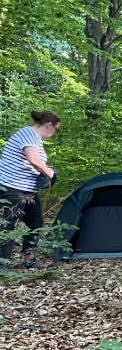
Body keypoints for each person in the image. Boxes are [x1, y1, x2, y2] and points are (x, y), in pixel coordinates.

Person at [0, 110, 60, 267]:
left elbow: (32, 164)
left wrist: (43, 175)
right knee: (8, 225)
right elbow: (33, 160)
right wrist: (50, 174)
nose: (55, 132)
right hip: (12, 188)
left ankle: (29, 260)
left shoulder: (36, 139)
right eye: (56, 129)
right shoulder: (28, 133)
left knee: (35, 222)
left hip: (27, 190)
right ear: (49, 125)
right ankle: (3, 265)